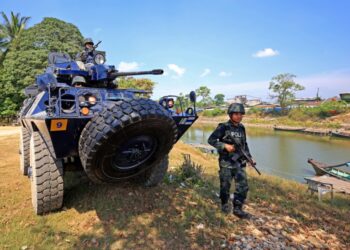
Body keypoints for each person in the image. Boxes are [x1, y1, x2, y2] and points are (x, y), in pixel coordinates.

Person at [207, 103, 253, 219]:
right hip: (226, 163)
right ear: (231, 114)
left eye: (241, 114)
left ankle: (238, 209)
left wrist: (249, 157)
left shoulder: (242, 128)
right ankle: (224, 205)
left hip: (239, 162)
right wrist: (224, 146)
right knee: (225, 186)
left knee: (243, 186)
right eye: (236, 114)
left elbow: (244, 144)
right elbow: (211, 140)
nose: (239, 116)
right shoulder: (223, 127)